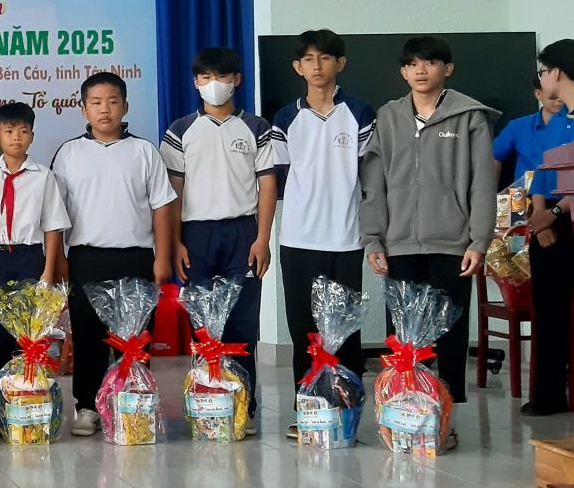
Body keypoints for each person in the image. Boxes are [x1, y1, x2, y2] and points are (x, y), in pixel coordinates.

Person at [362, 35, 498, 448]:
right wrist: (373, 239)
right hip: (399, 245)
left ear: (447, 69)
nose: (421, 70)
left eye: (431, 62)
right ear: (403, 72)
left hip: (452, 244)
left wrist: (479, 241)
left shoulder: (469, 117)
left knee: (451, 336)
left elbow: (482, 184)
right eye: (413, 64)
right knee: (403, 340)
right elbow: (374, 185)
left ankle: (446, 421)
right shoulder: (388, 117)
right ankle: (403, 417)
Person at [161, 47, 277, 436]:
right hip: (195, 234)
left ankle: (244, 406)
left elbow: (267, 185)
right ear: (196, 82)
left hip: (243, 233)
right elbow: (172, 192)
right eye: (206, 77)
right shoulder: (180, 131)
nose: (215, 84)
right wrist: (176, 242)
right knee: (203, 326)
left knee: (242, 322)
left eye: (223, 77)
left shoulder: (257, 127)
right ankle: (207, 403)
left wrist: (262, 238)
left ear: (237, 80)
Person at [53, 72, 176, 436]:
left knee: (135, 337)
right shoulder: (69, 153)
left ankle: (133, 402)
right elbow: (55, 212)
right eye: (96, 103)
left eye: (112, 102)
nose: (104, 109)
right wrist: (60, 259)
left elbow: (162, 207)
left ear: (125, 106)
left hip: (136, 256)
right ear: (83, 109)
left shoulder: (143, 151)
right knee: (88, 334)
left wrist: (162, 257)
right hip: (86, 257)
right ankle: (88, 407)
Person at [270, 30, 375, 438]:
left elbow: (370, 176)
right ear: (297, 67)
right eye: (309, 59)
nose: (317, 66)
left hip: (346, 238)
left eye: (325, 57)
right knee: (304, 331)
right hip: (298, 239)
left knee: (346, 333)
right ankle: (309, 412)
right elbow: (279, 178)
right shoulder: (286, 118)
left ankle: (346, 414)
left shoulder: (360, 112)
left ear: (340, 63)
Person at [0, 102, 68, 424]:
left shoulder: (44, 177)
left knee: (28, 337)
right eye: (9, 131)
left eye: (23, 131)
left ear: (32, 136)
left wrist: (47, 273)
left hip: (29, 258)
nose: (16, 137)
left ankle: (27, 403)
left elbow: (52, 226)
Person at [519, 39, 574, 415]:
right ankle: (550, 394)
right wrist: (541, 221)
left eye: (542, 71)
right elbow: (542, 171)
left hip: (563, 214)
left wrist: (553, 213)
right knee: (548, 309)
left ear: (555, 72)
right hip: (550, 220)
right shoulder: (559, 119)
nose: (542, 79)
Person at [494, 77, 572, 183]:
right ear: (538, 94)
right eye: (553, 95)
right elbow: (493, 156)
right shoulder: (518, 127)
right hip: (528, 192)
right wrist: (489, 191)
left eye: (563, 94)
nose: (559, 99)